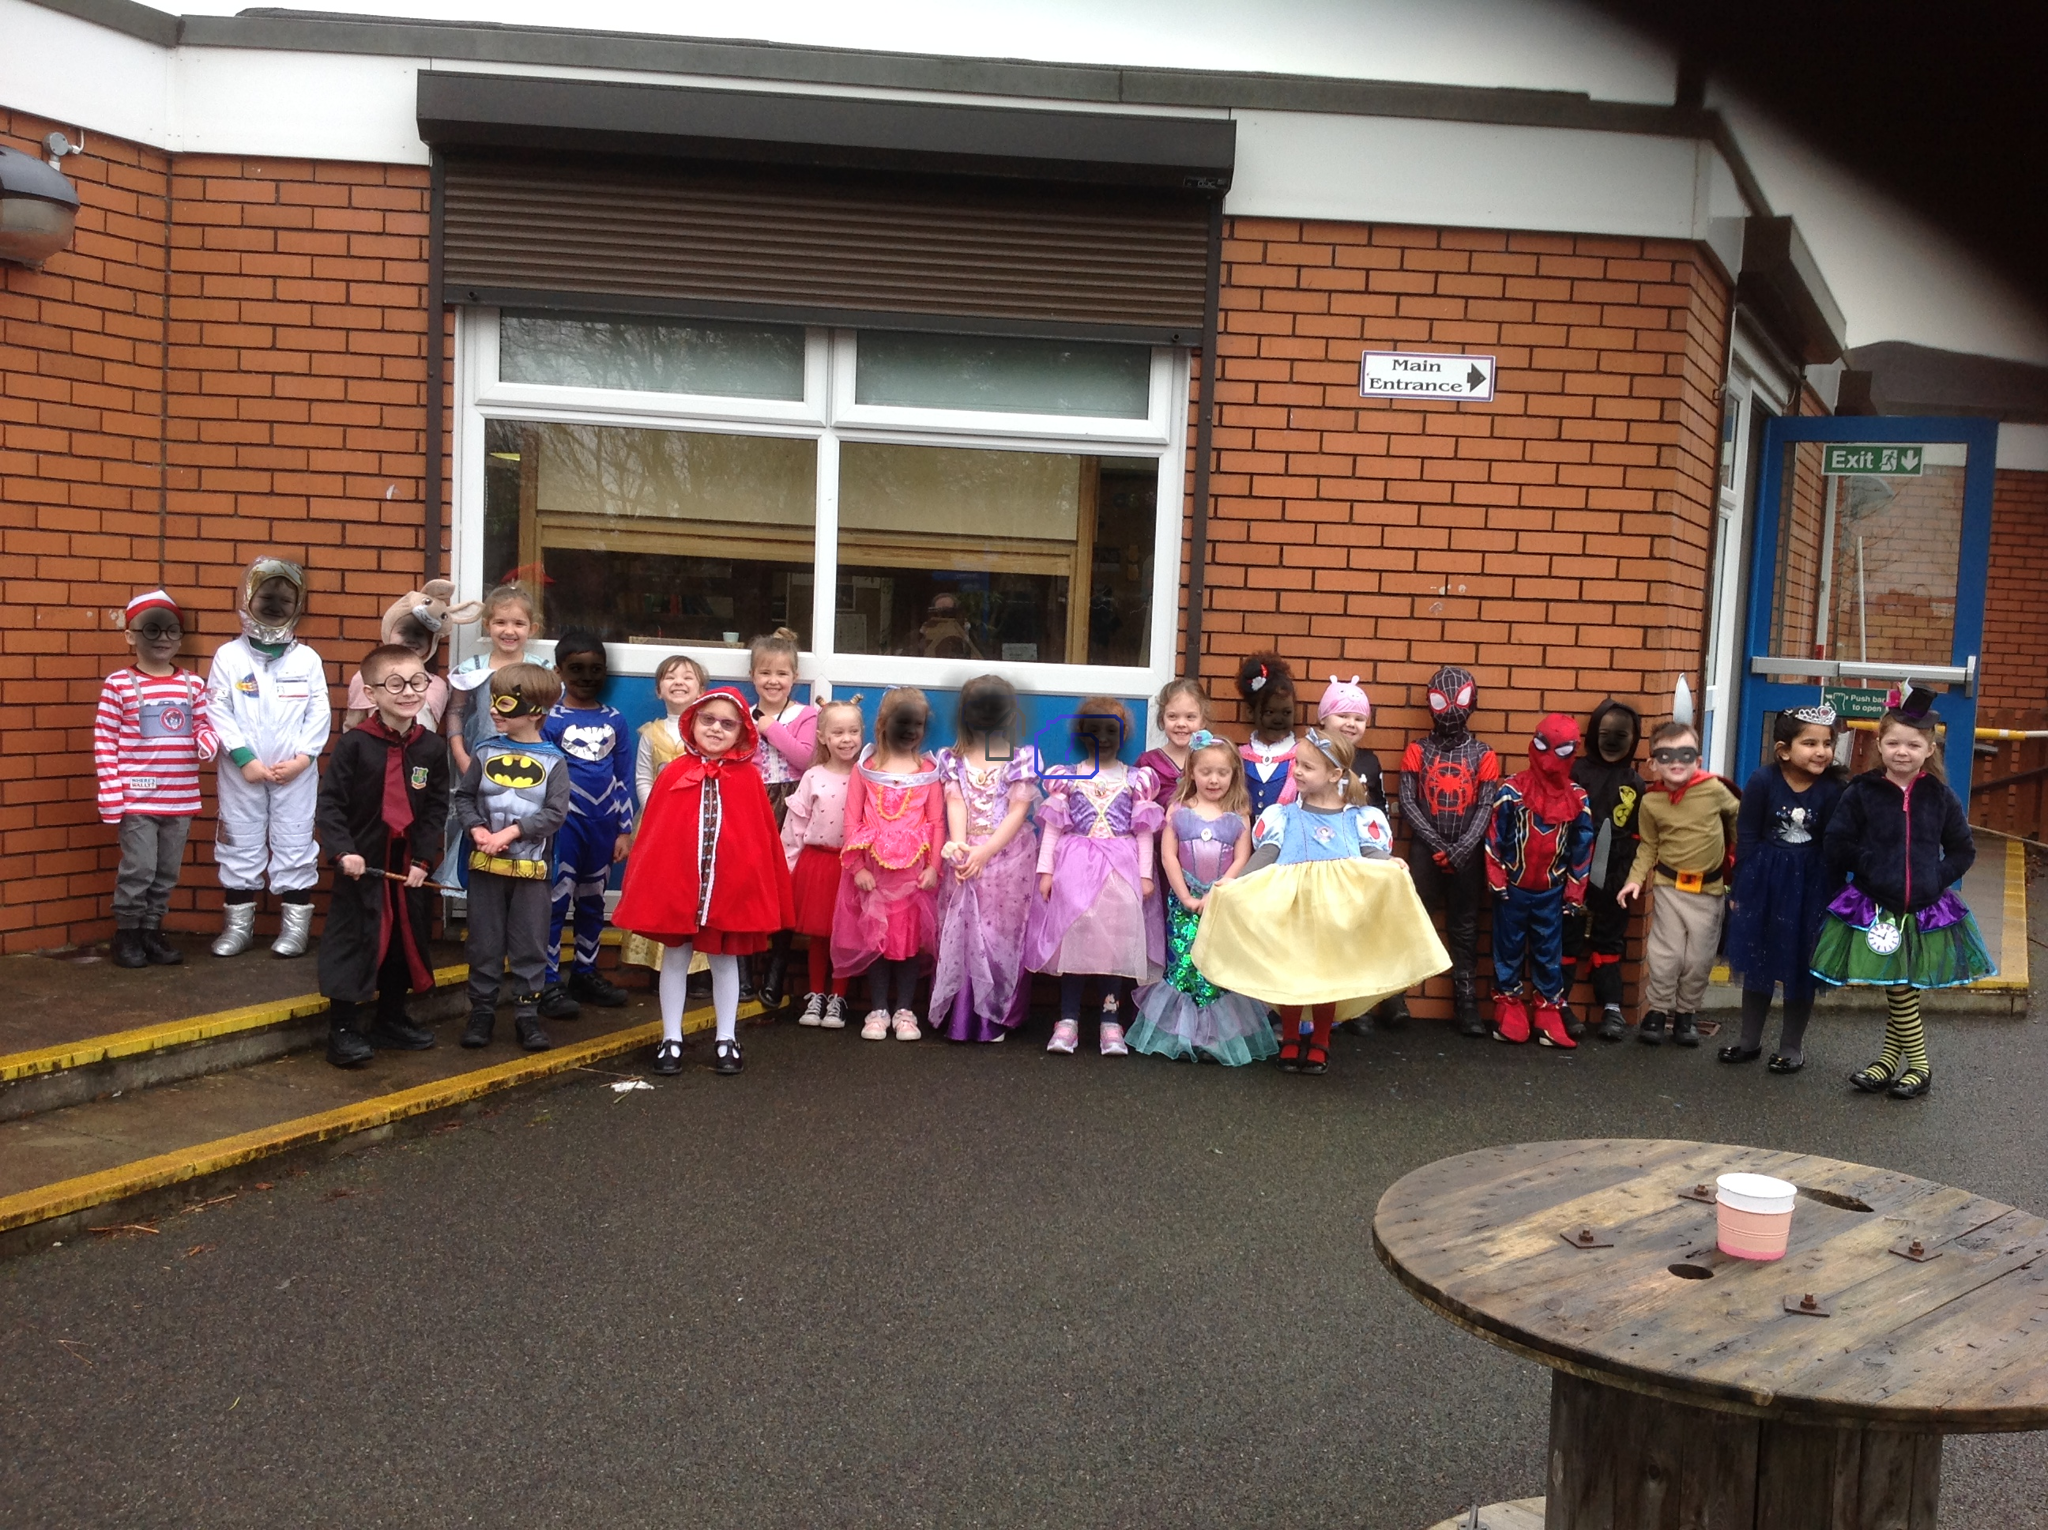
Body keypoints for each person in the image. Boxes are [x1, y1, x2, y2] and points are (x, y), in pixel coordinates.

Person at [1192, 728, 1449, 1073]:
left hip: (1334, 913)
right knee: (1292, 975)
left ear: (1335, 774)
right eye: (1296, 763)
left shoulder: (1355, 818)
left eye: (1307, 767)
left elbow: (1368, 850)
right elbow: (1267, 852)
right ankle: (1292, 1037)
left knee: (1328, 978)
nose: (1297, 771)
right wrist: (1234, 881)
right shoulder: (1285, 816)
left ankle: (1321, 1041)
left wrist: (1387, 863)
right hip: (1294, 911)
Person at [1811, 689, 1994, 1099]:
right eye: (1893, 743)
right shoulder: (1861, 792)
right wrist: (1871, 864)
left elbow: (1964, 850)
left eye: (1913, 745)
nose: (1902, 752)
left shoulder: (1940, 796)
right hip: (1876, 904)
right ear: (1879, 745)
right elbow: (1836, 842)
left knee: (1901, 983)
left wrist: (1935, 877)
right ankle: (1898, 1063)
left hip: (1927, 908)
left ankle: (1911, 1066)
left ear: (1929, 749)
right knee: (1899, 984)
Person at [615, 688, 796, 1077]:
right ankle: (671, 1038)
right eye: (708, 719)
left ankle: (726, 1037)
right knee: (675, 960)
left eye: (727, 723)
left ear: (742, 732)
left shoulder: (748, 779)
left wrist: (749, 885)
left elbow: (757, 841)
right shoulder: (673, 774)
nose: (716, 728)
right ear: (692, 723)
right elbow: (656, 838)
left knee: (725, 961)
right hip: (680, 891)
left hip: (727, 893)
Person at [313, 643, 450, 1068]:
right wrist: (342, 852)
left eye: (417, 682)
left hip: (406, 865)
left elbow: (434, 810)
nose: (408, 692)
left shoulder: (431, 748)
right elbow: (330, 804)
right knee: (355, 942)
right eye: (395, 684)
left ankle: (391, 1017)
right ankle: (343, 1029)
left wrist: (423, 860)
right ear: (371, 693)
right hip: (362, 865)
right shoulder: (355, 745)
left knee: (404, 943)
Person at [1024, 697, 1164, 1056]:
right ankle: (1067, 1019)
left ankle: (1110, 1021)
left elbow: (1144, 831)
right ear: (1082, 735)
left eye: (1111, 730)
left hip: (1120, 869)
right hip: (1075, 866)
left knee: (1114, 945)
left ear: (1124, 735)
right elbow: (1053, 829)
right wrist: (1045, 871)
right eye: (1094, 729)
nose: (1103, 737)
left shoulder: (1136, 780)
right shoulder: (1066, 779)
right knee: (1075, 942)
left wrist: (1146, 875)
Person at [208, 558, 330, 959]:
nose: (276, 604)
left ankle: (294, 930)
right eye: (266, 596)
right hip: (242, 770)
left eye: (286, 597)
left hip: (295, 772)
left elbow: (320, 711)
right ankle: (238, 929)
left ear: (299, 604)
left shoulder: (307, 659)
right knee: (239, 843)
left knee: (295, 842)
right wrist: (243, 758)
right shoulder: (228, 656)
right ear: (247, 598)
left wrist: (303, 758)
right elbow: (218, 709)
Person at [1126, 731, 1273, 1065]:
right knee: (1184, 966)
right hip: (1183, 905)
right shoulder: (1178, 809)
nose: (1214, 779)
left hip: (1222, 905)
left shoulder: (1238, 814)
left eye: (1222, 772)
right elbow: (1169, 858)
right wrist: (1186, 896)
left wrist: (1218, 893)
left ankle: (1215, 1040)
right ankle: (1181, 1037)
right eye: (1206, 771)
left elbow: (1241, 858)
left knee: (1216, 968)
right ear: (1191, 771)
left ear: (1234, 774)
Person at [1720, 703, 1848, 1073]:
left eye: (1827, 743)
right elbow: (1746, 837)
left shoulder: (1833, 789)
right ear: (1784, 750)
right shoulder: (1763, 781)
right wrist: (1740, 890)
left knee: (1800, 966)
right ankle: (1749, 1040)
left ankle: (1792, 1045)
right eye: (1810, 743)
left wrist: (1836, 896)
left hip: (1812, 886)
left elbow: (1836, 844)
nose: (1821, 751)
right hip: (1765, 882)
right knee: (1758, 960)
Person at [95, 590, 219, 968]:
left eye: (171, 631)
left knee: (166, 872)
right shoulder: (118, 685)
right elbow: (104, 741)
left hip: (179, 798)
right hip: (137, 800)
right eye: (152, 630)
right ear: (131, 635)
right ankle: (127, 933)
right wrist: (112, 795)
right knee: (139, 868)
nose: (163, 638)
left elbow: (205, 724)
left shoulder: (193, 685)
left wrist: (207, 742)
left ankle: (152, 931)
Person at [451, 663, 569, 1054]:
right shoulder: (485, 751)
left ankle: (526, 1016)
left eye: (503, 703)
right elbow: (465, 797)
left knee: (529, 943)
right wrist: (476, 829)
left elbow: (555, 813)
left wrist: (513, 831)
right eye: (493, 702)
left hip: (531, 873)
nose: (494, 711)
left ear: (535, 711)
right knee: (483, 942)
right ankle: (481, 1012)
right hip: (485, 869)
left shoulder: (554, 761)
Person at [1617, 721, 1741, 1049]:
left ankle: (1686, 1013)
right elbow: (1648, 845)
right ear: (1652, 763)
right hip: (1669, 887)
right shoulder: (1651, 802)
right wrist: (1633, 880)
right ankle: (1657, 1011)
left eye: (1686, 754)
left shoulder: (1714, 790)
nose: (1677, 762)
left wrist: (1740, 865)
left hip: (1709, 890)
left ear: (1698, 760)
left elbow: (1738, 820)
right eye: (1666, 754)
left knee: (1698, 958)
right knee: (1665, 955)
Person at [930, 676, 1041, 1043]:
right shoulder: (952, 758)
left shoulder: (1020, 757)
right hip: (967, 854)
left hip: (1008, 859)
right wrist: (961, 848)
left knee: (999, 935)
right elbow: (955, 802)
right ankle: (962, 1017)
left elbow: (1016, 812)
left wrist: (985, 851)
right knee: (964, 931)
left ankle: (996, 1016)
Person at [833, 688, 946, 1042]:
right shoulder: (865, 770)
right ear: (883, 724)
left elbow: (938, 822)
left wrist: (934, 867)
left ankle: (905, 1010)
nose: (910, 730)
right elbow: (851, 822)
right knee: (877, 941)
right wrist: (857, 869)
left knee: (909, 943)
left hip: (914, 878)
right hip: (874, 875)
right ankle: (878, 1008)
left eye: (917, 723)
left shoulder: (929, 771)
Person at [536, 629, 635, 1020]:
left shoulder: (615, 720)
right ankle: (547, 981)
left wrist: (624, 828)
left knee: (593, 901)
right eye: (576, 669)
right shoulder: (550, 719)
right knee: (556, 900)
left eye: (596, 669)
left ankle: (585, 972)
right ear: (559, 671)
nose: (587, 677)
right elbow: (541, 773)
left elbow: (624, 775)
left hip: (604, 823)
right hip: (564, 824)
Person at [1398, 665, 1501, 1035]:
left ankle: (1466, 1002)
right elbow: (1408, 802)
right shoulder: (1417, 750)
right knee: (1413, 919)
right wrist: (1440, 845)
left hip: (1467, 853)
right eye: (1442, 701)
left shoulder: (1484, 754)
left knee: (1465, 927)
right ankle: (1394, 995)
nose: (1451, 710)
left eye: (1458, 700)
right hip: (1428, 850)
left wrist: (1460, 849)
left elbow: (1486, 806)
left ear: (1473, 701)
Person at [1486, 714, 1596, 1050]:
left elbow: (1582, 848)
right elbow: (1494, 837)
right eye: (1542, 747)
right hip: (1513, 889)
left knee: (1549, 953)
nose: (1549, 759)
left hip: (1552, 892)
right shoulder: (1512, 791)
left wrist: (1575, 892)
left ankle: (1548, 1012)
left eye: (1560, 750)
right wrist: (1497, 877)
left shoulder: (1577, 799)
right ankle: (1509, 1007)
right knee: (1508, 949)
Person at [437, 583, 547, 896]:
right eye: (500, 622)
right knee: (480, 825)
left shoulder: (541, 671)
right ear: (487, 625)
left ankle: (519, 892)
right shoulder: (471, 669)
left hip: (529, 769)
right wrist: (461, 755)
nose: (509, 630)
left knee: (519, 823)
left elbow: (548, 720)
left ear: (532, 628)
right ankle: (479, 898)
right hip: (479, 766)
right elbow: (455, 712)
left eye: (518, 623)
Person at [1317, 674, 1403, 1032]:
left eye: (1359, 718)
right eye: (1343, 715)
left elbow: (1378, 811)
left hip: (1357, 858)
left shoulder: (1369, 761)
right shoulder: (1312, 754)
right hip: (1320, 857)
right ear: (1323, 718)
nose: (1351, 723)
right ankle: (1319, 1002)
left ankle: (1356, 1007)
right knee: (1323, 931)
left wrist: (1381, 853)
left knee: (1354, 930)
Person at [620, 653, 710, 988]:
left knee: (693, 891)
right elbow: (643, 777)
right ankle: (655, 964)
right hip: (657, 825)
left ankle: (698, 969)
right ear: (659, 690)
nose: (679, 682)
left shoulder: (706, 729)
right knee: (658, 889)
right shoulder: (651, 733)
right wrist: (655, 809)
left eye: (688, 677)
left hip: (697, 825)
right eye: (670, 677)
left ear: (701, 690)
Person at [1564, 698, 1644, 1041]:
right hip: (1574, 871)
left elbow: (1642, 833)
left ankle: (1612, 1008)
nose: (1612, 740)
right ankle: (1558, 1005)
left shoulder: (1635, 782)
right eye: (1606, 732)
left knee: (1610, 942)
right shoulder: (1576, 773)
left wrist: (1630, 874)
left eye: (1621, 734)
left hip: (1616, 874)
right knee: (1567, 940)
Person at [748, 627, 819, 1014]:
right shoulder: (742, 713)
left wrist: (769, 727)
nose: (773, 681)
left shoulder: (806, 715)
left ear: (794, 677)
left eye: (781, 674)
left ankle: (776, 970)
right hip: (753, 801)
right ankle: (745, 971)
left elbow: (805, 759)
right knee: (747, 882)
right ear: (753, 676)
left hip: (792, 802)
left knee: (784, 886)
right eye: (765, 673)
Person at [782, 698, 864, 1029]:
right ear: (822, 737)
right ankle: (816, 994)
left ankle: (839, 997)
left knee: (844, 935)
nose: (847, 739)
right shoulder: (813, 776)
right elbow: (795, 826)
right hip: (818, 864)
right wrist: (787, 868)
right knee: (819, 935)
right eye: (838, 732)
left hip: (852, 866)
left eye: (854, 731)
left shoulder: (866, 774)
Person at [340, 581, 479, 732]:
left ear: (432, 642)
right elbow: (353, 726)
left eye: (421, 635)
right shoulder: (364, 678)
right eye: (403, 632)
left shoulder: (436, 686)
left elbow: (430, 733)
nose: (412, 640)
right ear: (388, 630)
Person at [1235, 653, 1299, 817]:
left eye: (1286, 712)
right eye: (1270, 712)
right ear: (1251, 712)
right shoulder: (1239, 758)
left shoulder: (1301, 758)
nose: (1278, 719)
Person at [1137, 677, 1208, 808]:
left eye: (1190, 717)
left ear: (1202, 721)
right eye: (1172, 716)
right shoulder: (1148, 763)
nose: (1181, 724)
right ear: (1162, 720)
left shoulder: (1211, 760)